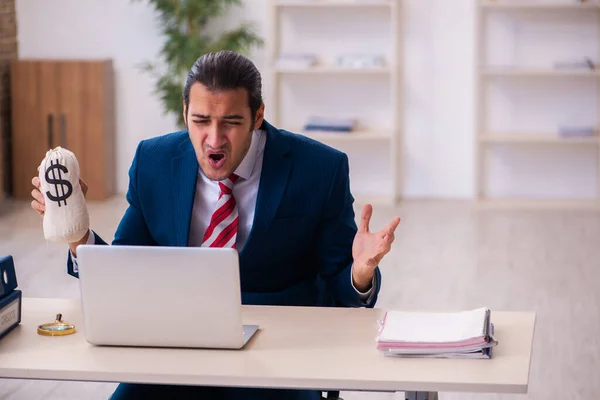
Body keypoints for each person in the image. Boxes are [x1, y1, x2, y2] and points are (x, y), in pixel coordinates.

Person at [31, 50, 401, 400]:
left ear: (257, 117)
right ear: (185, 112)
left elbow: (342, 287)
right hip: (176, 351)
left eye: (231, 122)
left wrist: (360, 272)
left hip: (278, 359)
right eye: (201, 120)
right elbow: (125, 268)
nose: (213, 138)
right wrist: (77, 236)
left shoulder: (319, 169)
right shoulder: (154, 162)